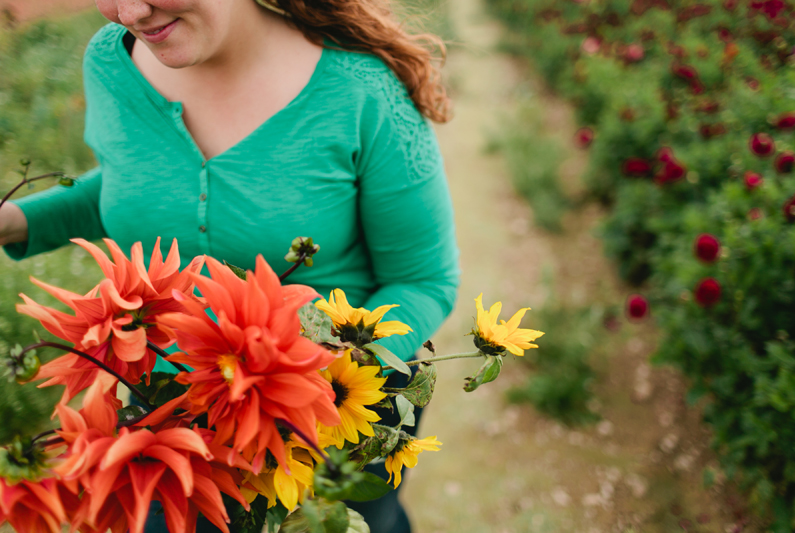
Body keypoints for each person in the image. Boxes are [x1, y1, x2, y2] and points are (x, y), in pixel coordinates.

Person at [0, 0, 460, 531]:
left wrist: (308, 386)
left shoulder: (362, 92)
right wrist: (13, 220)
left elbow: (425, 280)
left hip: (335, 413)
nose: (126, 11)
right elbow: (135, 184)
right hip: (169, 417)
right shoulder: (112, 62)